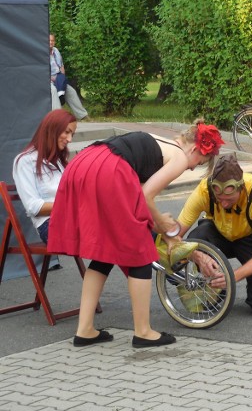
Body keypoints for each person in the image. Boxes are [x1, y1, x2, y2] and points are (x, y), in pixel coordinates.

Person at [48, 120, 223, 348]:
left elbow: (137, 201)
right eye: (198, 162)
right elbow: (145, 195)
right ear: (194, 149)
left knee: (105, 253)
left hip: (86, 161)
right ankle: (143, 332)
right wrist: (164, 226)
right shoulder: (180, 157)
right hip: (109, 169)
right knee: (139, 253)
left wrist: (162, 229)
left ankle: (85, 330)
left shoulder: (159, 144)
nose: (191, 168)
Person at [175, 153, 252, 316]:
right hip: (218, 234)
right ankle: (213, 287)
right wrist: (195, 255)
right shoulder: (204, 189)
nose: (223, 204)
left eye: (229, 200)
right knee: (197, 237)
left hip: (250, 239)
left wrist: (232, 277)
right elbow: (174, 236)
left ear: (241, 188)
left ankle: (226, 281)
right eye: (219, 199)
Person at [13, 110, 77, 244]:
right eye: (66, 132)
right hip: (50, 225)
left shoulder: (58, 161)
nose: (70, 139)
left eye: (72, 134)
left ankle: (93, 267)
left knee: (115, 230)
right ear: (52, 129)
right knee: (111, 234)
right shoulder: (25, 161)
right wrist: (69, 204)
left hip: (71, 218)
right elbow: (33, 207)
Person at [49, 34, 89, 121]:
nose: (51, 42)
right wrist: (53, 79)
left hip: (58, 78)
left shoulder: (56, 51)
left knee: (71, 91)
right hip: (48, 80)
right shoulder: (41, 54)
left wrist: (62, 78)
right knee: (53, 91)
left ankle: (82, 115)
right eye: (49, 41)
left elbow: (61, 66)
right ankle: (58, 118)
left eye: (52, 41)